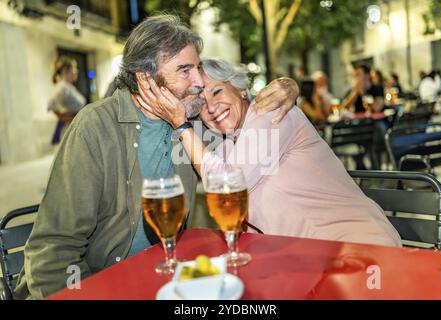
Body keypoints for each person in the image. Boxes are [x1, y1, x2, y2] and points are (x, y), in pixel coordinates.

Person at [14, 15, 299, 300]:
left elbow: (239, 122)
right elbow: (53, 250)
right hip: (99, 286)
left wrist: (284, 90)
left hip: (165, 282)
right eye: (185, 70)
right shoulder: (96, 126)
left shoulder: (191, 122)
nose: (199, 81)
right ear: (146, 78)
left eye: (198, 67)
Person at [137, 58, 402, 248]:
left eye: (217, 91)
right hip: (308, 262)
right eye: (201, 104)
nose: (212, 107)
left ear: (240, 89)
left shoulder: (272, 112)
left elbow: (226, 183)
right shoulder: (230, 147)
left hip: (357, 248)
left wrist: (181, 125)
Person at [48, 56, 86, 144]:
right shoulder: (62, 87)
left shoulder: (69, 87)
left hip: (76, 128)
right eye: (74, 68)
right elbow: (51, 105)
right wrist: (69, 118)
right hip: (69, 129)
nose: (76, 71)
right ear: (65, 70)